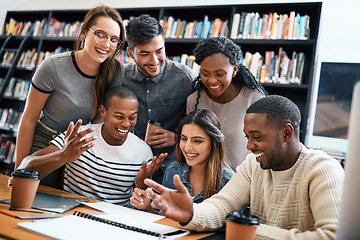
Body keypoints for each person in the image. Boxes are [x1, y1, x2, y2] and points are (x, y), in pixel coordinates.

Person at [145, 95, 344, 239]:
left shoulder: (323, 170)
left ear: (286, 133)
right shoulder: (252, 165)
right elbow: (221, 206)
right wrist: (192, 214)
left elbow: (331, 236)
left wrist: (248, 231)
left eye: (257, 137)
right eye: (247, 137)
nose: (249, 146)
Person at [14, 5, 126, 188]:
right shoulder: (53, 66)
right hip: (45, 145)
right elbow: (29, 119)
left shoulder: (116, 71)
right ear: (84, 33)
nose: (107, 44)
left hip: (79, 147)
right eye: (100, 34)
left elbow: (100, 116)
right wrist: (20, 170)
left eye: (114, 39)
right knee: (36, 202)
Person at [18, 86, 167, 206]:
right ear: (103, 111)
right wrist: (63, 156)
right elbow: (25, 167)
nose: (127, 124)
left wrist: (140, 184)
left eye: (132, 117)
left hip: (115, 221)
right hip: (72, 212)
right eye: (119, 116)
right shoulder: (80, 135)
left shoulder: (143, 152)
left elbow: (140, 203)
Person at [117, 14, 195, 182]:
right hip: (131, 165)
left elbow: (200, 124)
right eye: (145, 54)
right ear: (130, 52)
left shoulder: (185, 78)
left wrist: (177, 136)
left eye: (159, 51)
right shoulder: (120, 78)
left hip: (174, 168)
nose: (154, 61)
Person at [130, 109, 234, 213]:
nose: (187, 147)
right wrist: (148, 207)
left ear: (214, 143)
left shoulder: (228, 180)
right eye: (184, 139)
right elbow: (166, 218)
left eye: (197, 141)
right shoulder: (173, 171)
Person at [187, 36, 267, 170]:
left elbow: (264, 148)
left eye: (220, 74)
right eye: (205, 73)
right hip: (205, 180)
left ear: (234, 70)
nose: (212, 81)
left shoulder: (254, 100)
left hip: (245, 181)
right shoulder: (194, 100)